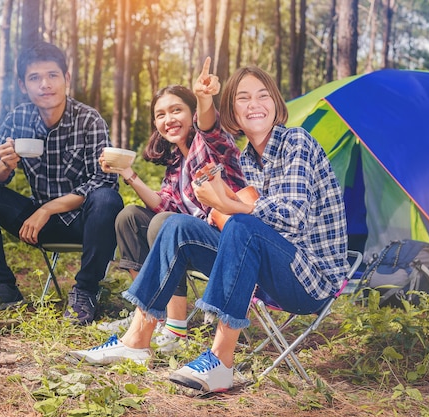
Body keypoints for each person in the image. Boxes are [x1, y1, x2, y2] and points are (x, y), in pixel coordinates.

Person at [68, 66, 347, 393]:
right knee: (175, 225)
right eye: (243, 98)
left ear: (276, 103)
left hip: (308, 281)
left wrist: (230, 205)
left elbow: (292, 216)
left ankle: (221, 361)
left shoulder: (295, 141)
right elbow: (219, 192)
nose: (253, 104)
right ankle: (136, 340)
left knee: (244, 225)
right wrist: (223, 201)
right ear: (233, 113)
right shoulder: (247, 159)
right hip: (264, 269)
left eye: (262, 95)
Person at [0, 41, 123, 325]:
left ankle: (85, 291)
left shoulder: (88, 119)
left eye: (52, 75)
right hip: (37, 225)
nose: (44, 85)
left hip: (86, 224)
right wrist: (5, 164)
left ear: (66, 79)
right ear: (23, 85)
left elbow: (103, 179)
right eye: (35, 78)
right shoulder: (18, 118)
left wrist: (46, 209)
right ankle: (2, 286)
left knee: (107, 198)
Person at [95, 58, 246, 352]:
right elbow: (164, 202)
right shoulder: (175, 161)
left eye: (176, 110)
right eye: (161, 114)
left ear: (192, 113)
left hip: (228, 246)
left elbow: (210, 125)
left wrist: (204, 98)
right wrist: (129, 175)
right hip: (189, 239)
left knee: (165, 223)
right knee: (129, 217)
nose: (169, 119)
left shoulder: (212, 143)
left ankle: (175, 330)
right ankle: (150, 315)